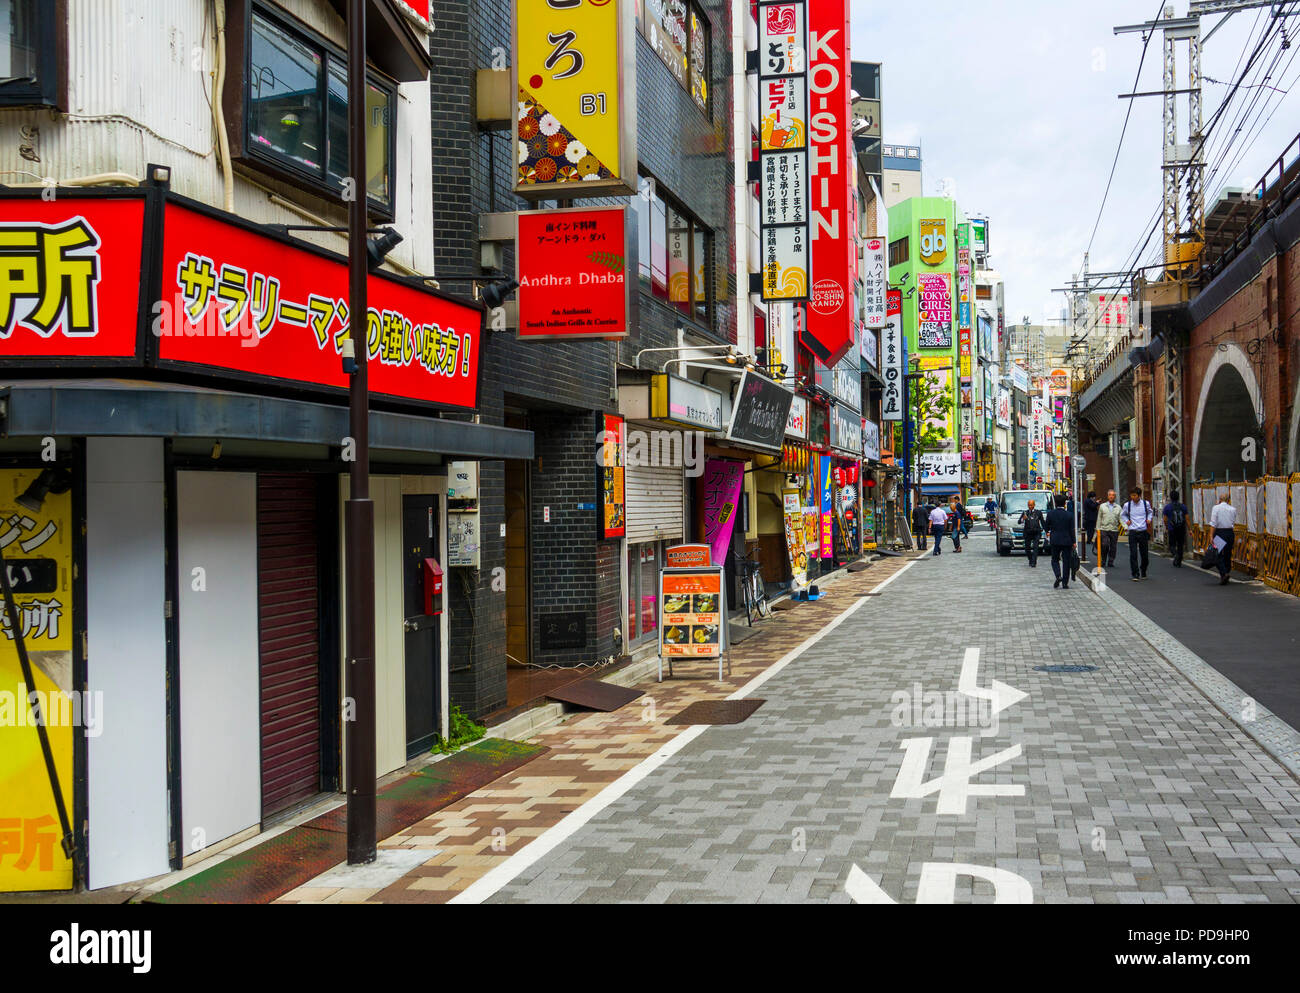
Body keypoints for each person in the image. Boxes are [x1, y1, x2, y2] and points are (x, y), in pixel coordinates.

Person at [1121, 486, 1154, 581]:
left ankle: (1143, 570)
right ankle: (1135, 574)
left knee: (1144, 555)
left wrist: (1149, 519)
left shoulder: (1145, 504)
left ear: (1139, 495)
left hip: (1143, 531)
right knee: (1133, 554)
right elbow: (1123, 514)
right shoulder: (1128, 505)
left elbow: (1150, 512)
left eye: (1134, 495)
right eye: (1131, 495)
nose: (1132, 497)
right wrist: (1126, 520)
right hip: (1133, 532)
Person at [1045, 493, 1077, 589]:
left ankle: (1058, 575)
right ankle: (1065, 583)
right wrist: (1074, 541)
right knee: (1066, 561)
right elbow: (1072, 529)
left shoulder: (1050, 514)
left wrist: (1049, 531)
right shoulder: (1069, 515)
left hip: (1055, 539)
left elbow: (1046, 527)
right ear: (1064, 504)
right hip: (1067, 540)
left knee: (1055, 559)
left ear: (1055, 503)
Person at [1209, 490, 1238, 585]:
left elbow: (1213, 523)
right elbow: (1233, 521)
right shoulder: (1233, 509)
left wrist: (1211, 535)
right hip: (1230, 532)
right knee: (1228, 554)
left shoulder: (1216, 508)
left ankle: (1223, 573)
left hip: (1220, 533)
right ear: (1229, 500)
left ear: (1220, 499)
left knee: (1217, 554)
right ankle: (1226, 572)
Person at [1162, 489, 1189, 568]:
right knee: (1180, 544)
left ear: (1170, 497)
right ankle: (1179, 561)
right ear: (1178, 497)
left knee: (1172, 545)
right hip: (1181, 528)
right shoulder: (1183, 506)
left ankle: (1176, 555)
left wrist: (1167, 527)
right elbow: (1187, 518)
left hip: (1172, 528)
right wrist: (1190, 529)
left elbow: (1165, 519)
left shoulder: (1167, 507)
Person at [1096, 489, 1122, 569]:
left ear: (1115, 497)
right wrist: (1097, 529)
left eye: (1113, 495)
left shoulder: (1118, 507)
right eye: (1110, 495)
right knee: (1105, 544)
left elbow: (1121, 519)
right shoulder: (1103, 506)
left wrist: (1126, 527)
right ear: (1107, 496)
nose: (1111, 496)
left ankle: (1111, 561)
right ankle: (1103, 560)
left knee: (1113, 546)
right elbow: (1099, 518)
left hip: (1114, 529)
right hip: (1104, 529)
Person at [1019, 498, 1045, 568]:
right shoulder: (1025, 512)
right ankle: (1030, 559)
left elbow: (1042, 522)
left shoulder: (1038, 512)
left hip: (1036, 532)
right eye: (1029, 505)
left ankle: (1034, 562)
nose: (1030, 506)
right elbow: (1019, 522)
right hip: (1028, 532)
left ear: (1034, 505)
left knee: (1035, 547)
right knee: (1027, 548)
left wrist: (1047, 530)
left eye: (1031, 505)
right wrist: (1022, 519)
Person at [1082, 491, 1100, 563]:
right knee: (1091, 529)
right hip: (1090, 518)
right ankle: (1089, 540)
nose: (1095, 498)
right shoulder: (1089, 501)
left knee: (1090, 529)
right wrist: (1097, 503)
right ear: (1092, 496)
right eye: (1094, 497)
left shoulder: (1087, 501)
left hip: (1089, 517)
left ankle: (1089, 539)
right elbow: (1093, 507)